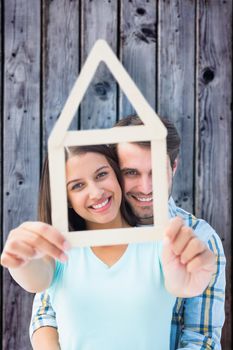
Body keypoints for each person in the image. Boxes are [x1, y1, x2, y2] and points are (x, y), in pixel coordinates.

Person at [28, 115, 225, 350]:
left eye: (156, 172)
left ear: (174, 167)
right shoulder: (79, 232)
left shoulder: (199, 238)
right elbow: (46, 312)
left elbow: (201, 341)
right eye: (131, 172)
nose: (145, 188)